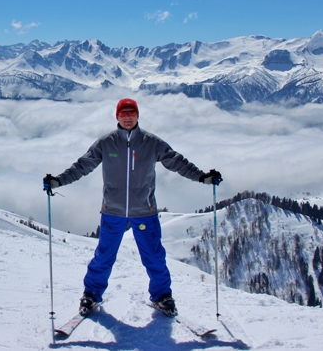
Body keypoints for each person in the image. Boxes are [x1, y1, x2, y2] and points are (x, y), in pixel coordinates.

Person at [43, 98, 222, 317]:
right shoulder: (106, 143)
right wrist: (59, 181)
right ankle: (91, 294)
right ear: (117, 116)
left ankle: (162, 296)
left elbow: (176, 161)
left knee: (154, 256)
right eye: (123, 113)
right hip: (112, 211)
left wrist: (202, 177)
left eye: (132, 113)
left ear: (138, 116)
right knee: (104, 255)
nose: (128, 117)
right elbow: (83, 165)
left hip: (144, 211)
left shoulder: (151, 143)